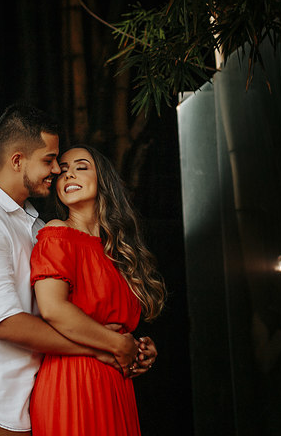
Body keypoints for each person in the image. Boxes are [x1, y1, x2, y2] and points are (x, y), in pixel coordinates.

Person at [0, 105, 151, 435]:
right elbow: (7, 324)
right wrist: (108, 346)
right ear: (18, 160)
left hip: (28, 401)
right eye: (50, 160)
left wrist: (127, 346)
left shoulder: (36, 226)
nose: (57, 170)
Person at [29, 144, 166, 436]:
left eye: (81, 166)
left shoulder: (117, 250)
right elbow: (53, 310)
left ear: (103, 180)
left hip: (115, 382)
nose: (68, 175)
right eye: (62, 171)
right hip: (73, 380)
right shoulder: (58, 234)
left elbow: (111, 322)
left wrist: (139, 348)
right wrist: (118, 344)